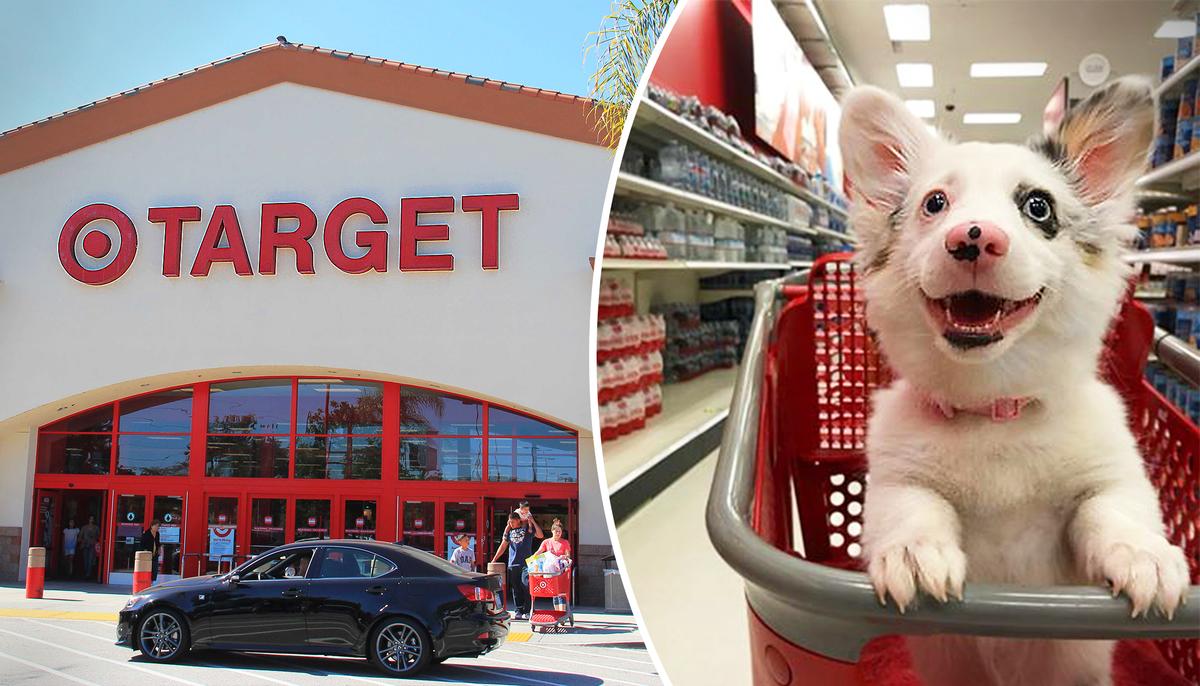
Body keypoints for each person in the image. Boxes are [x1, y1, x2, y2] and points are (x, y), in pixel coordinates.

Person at [490, 508, 543, 620]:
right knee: (516, 588)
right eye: (509, 522)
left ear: (518, 520)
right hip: (513, 564)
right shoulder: (509, 532)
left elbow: (540, 535)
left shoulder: (527, 530)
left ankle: (528, 610)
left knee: (526, 585)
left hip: (526, 564)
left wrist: (532, 521)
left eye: (512, 522)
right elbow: (503, 546)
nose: (511, 524)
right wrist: (495, 558)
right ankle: (518, 610)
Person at [139, 519, 161, 584]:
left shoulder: (157, 534)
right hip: (147, 555)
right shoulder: (146, 533)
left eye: (158, 526)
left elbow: (157, 543)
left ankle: (152, 582)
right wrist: (145, 551)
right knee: (148, 569)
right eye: (156, 526)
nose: (157, 528)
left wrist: (159, 549)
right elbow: (142, 544)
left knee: (154, 568)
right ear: (152, 526)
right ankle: (147, 582)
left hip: (155, 554)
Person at [79, 515, 100, 580]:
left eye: (92, 519)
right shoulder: (84, 527)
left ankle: (88, 574)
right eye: (90, 519)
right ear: (88, 519)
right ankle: (86, 572)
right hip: (85, 545)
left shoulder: (96, 528)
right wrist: (82, 541)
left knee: (90, 560)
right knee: (85, 560)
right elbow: (80, 536)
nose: (91, 520)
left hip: (92, 545)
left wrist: (96, 542)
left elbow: (99, 536)